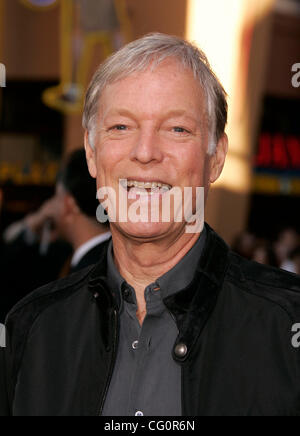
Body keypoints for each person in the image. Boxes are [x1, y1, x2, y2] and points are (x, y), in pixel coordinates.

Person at [1, 33, 300, 417]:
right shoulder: (32, 329)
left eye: (177, 129)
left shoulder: (286, 326)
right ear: (92, 154)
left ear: (216, 157)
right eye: (121, 127)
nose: (145, 153)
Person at [0, 149, 110, 322]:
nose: (50, 206)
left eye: (56, 197)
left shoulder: (87, 273)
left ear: (68, 203)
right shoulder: (110, 258)